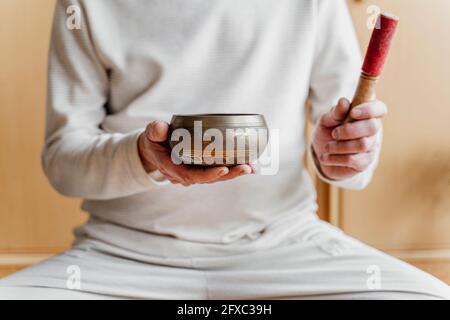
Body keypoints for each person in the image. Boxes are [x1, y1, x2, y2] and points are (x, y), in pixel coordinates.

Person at [0, 0, 448, 299]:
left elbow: (352, 152)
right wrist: (143, 156)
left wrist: (342, 156)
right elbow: (63, 159)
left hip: (286, 248)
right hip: (119, 257)